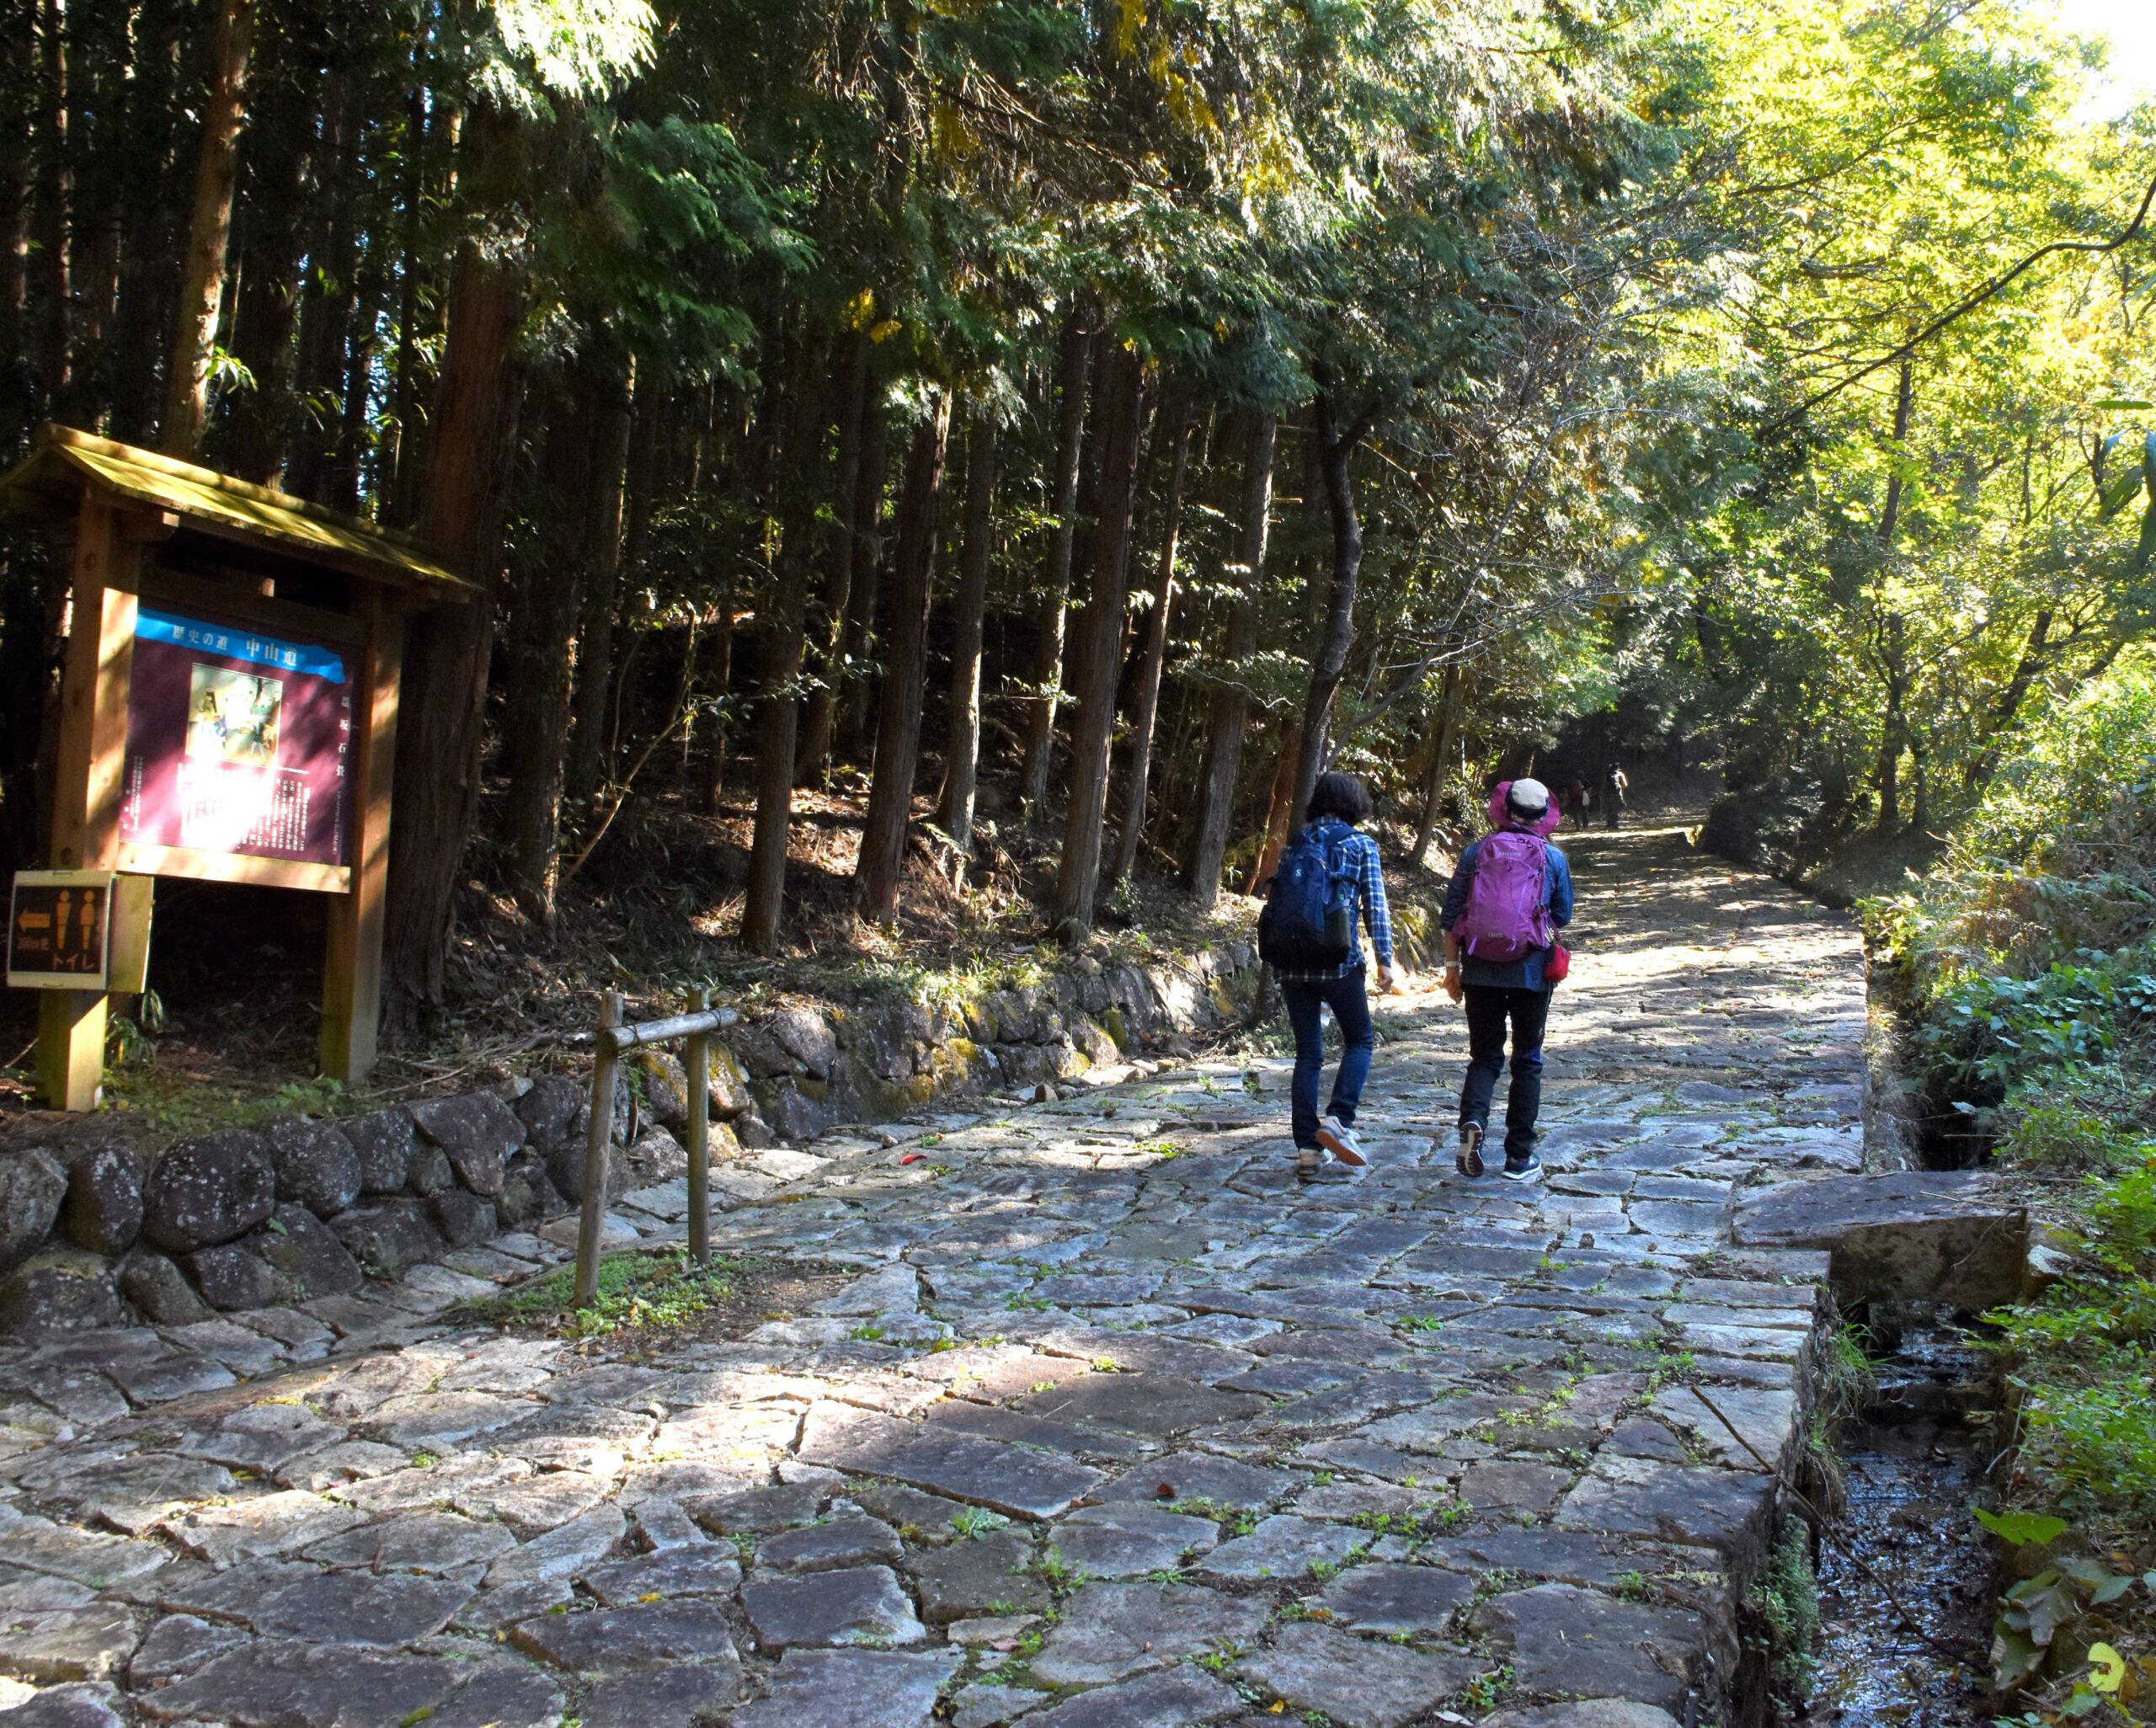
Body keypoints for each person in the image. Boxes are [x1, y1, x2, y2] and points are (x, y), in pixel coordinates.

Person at [1438, 776, 1573, 1184]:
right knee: (1527, 1060)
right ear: (1542, 817)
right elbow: (1561, 915)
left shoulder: (1476, 853)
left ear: (1504, 809)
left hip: (1479, 968)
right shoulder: (1552, 858)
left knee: (1485, 1056)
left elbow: (1452, 917)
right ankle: (1519, 1158)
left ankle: (1473, 1123)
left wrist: (1452, 969)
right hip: (1532, 971)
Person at [1272, 771, 1398, 1184]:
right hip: (1338, 961)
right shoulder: (1360, 844)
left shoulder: (1296, 842)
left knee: (1309, 1053)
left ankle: (1307, 1149)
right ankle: (1339, 1120)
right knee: (1360, 1039)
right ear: (1353, 804)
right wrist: (1385, 959)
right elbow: (1375, 906)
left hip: (1292, 961)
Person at [1605, 765, 1629, 829]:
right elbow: (1625, 784)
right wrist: (1620, 788)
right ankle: (1615, 824)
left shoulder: (1608, 774)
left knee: (1610, 808)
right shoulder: (1620, 774)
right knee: (1616, 809)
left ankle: (1609, 824)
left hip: (1609, 794)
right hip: (1617, 794)